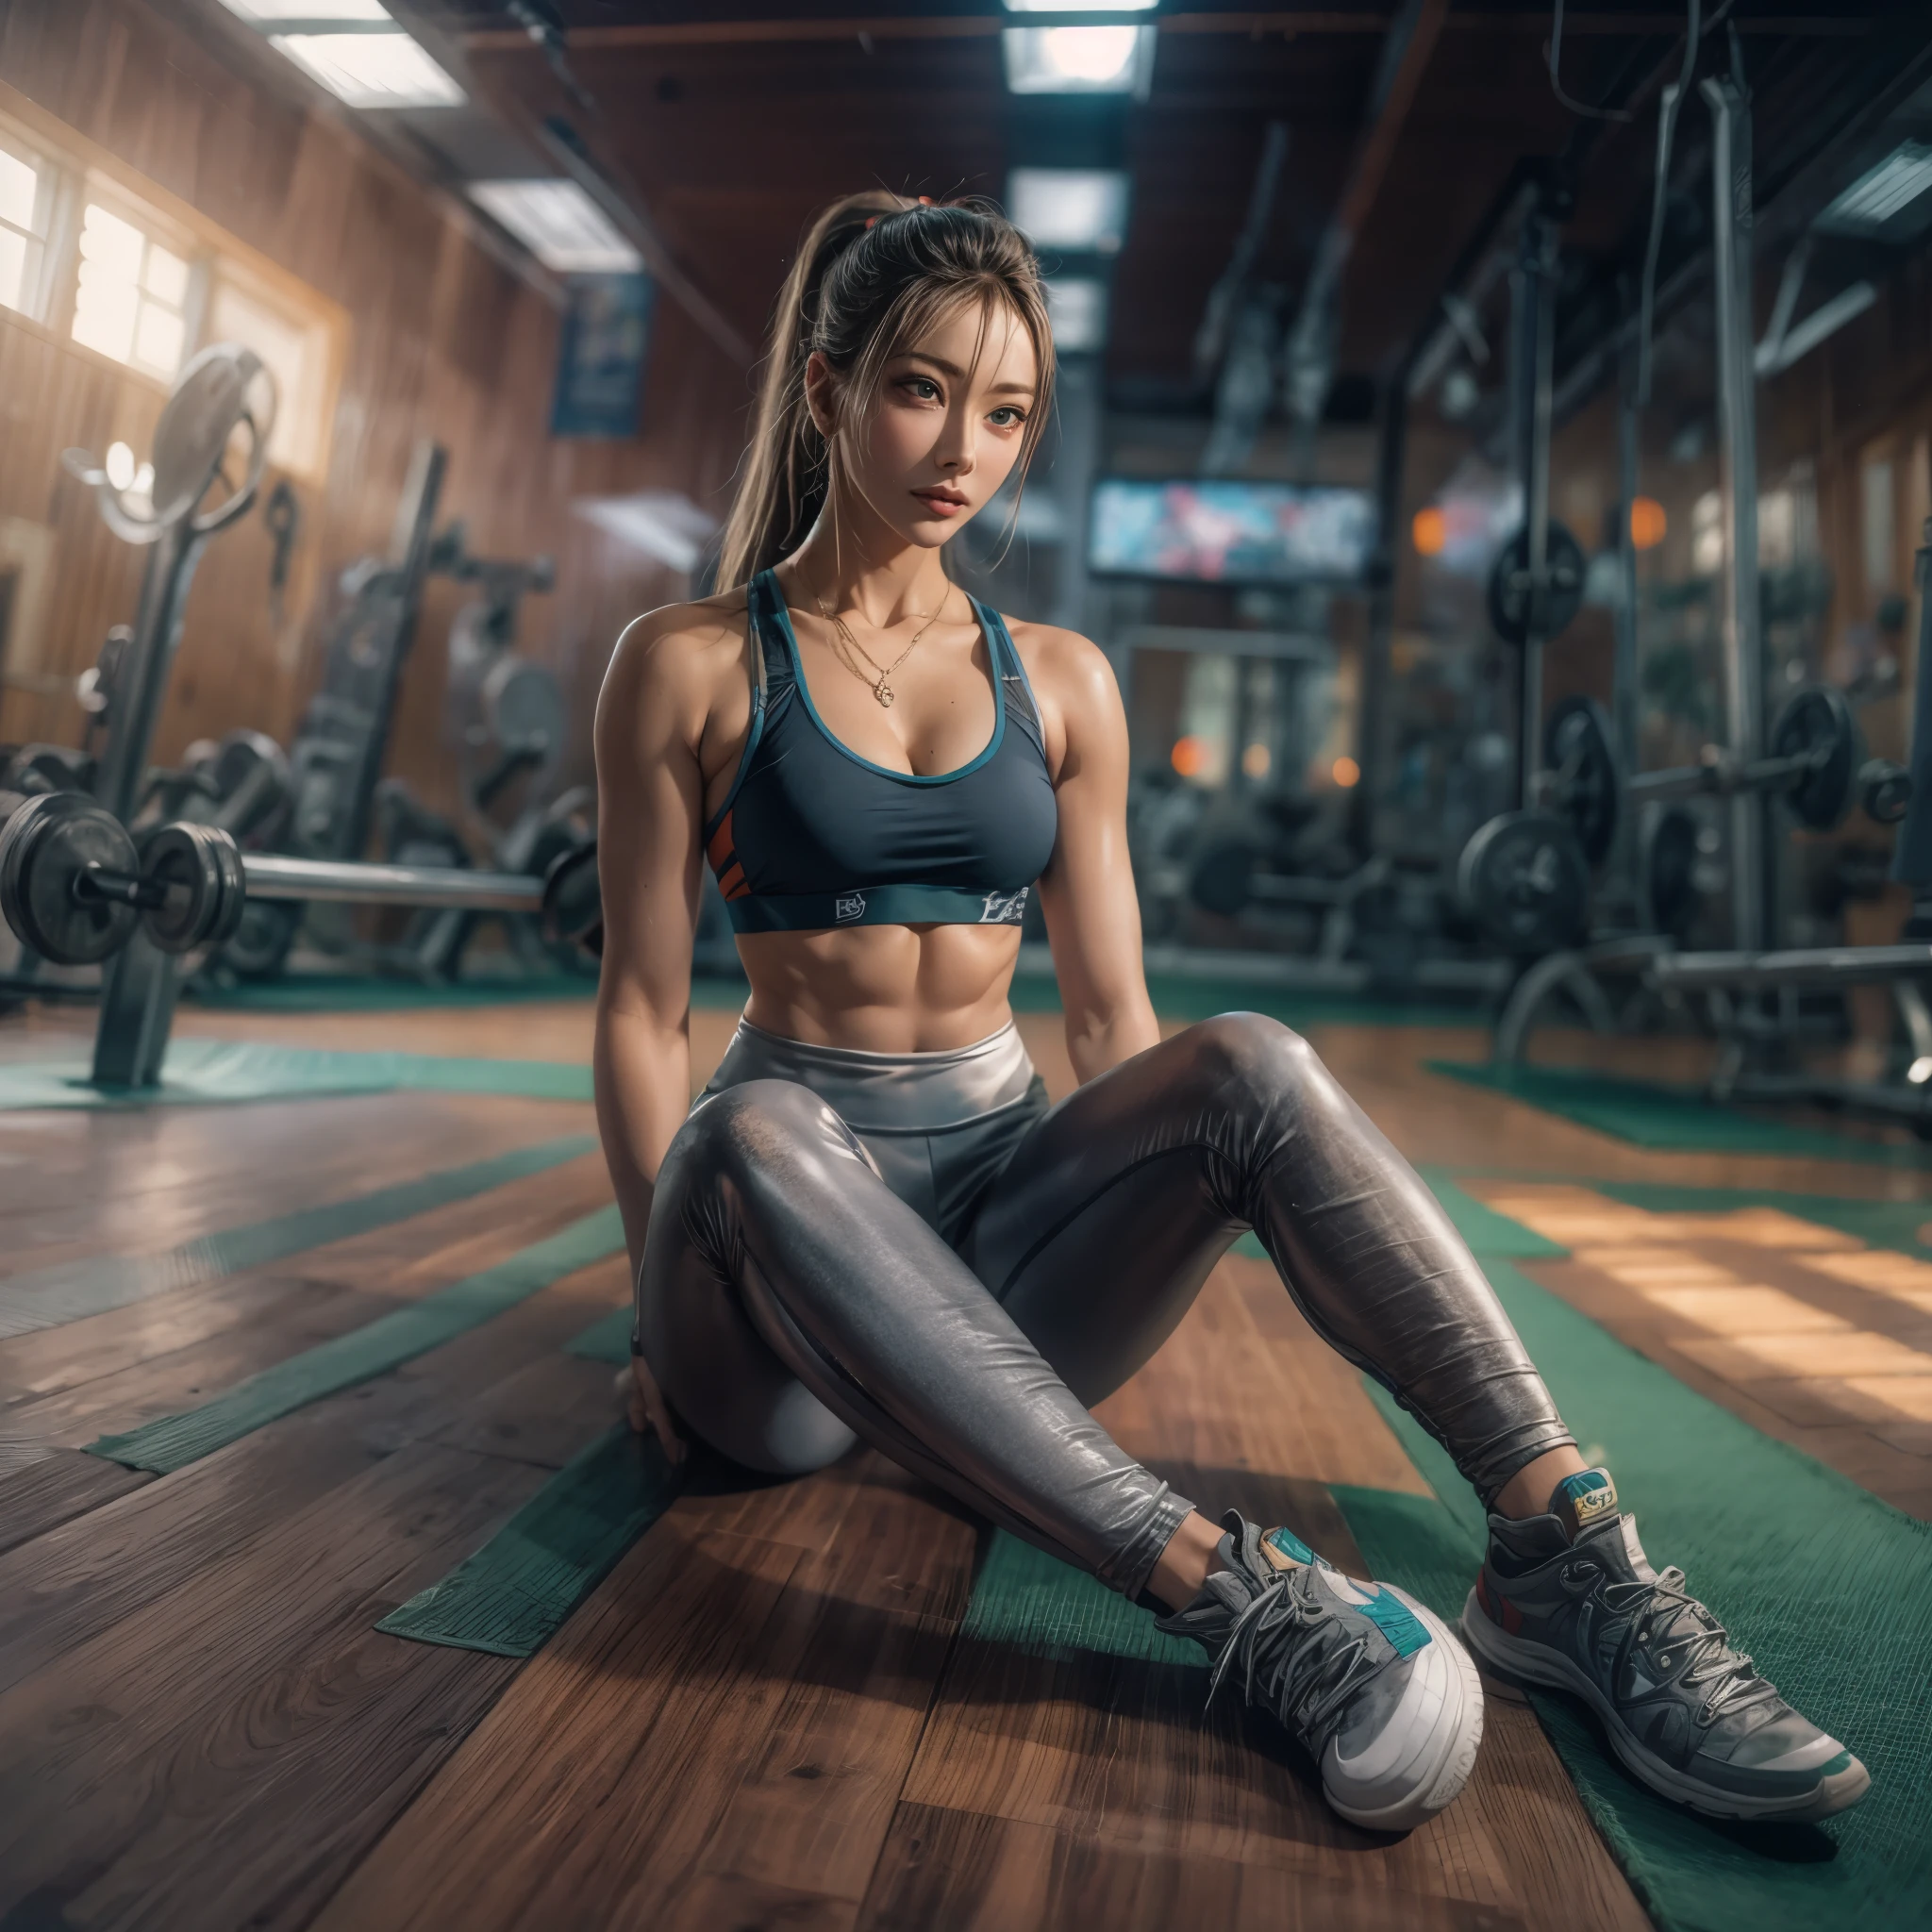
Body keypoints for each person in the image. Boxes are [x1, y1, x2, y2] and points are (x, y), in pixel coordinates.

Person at [590, 191, 1867, 1832]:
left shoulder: (1059, 679)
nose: (962, 448)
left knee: (1252, 1059)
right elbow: (640, 1008)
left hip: (996, 1266)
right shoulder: (688, 659)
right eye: (920, 390)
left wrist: (1195, 1192)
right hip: (760, 1308)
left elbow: (1115, 1021)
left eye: (1007, 412)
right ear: (829, 388)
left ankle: (1570, 1556)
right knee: (752, 1125)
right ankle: (1239, 1601)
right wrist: (649, 1300)